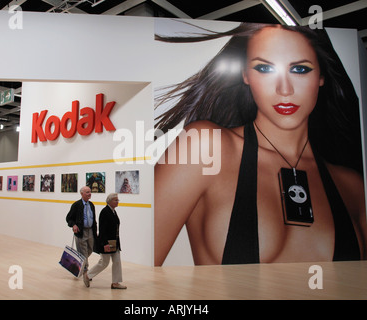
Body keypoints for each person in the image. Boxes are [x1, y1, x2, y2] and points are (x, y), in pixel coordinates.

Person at [154, 22, 367, 266]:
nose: (284, 89)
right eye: (265, 68)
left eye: (299, 69)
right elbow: (133, 277)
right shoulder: (204, 148)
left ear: (321, 76)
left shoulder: (352, 186)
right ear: (245, 75)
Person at [84, 193, 127, 289]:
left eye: (117, 200)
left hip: (115, 242)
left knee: (117, 262)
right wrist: (105, 243)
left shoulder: (113, 212)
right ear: (110, 201)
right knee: (104, 263)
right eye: (116, 200)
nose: (117, 202)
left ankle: (115, 283)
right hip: (106, 243)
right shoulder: (105, 212)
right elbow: (102, 230)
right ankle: (88, 275)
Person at [66, 186, 97, 274]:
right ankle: (85, 271)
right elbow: (69, 218)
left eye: (90, 192)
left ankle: (79, 264)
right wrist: (74, 225)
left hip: (90, 231)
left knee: (90, 249)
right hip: (81, 232)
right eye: (87, 192)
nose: (89, 194)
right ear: (82, 194)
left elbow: (93, 219)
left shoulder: (91, 205)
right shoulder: (76, 205)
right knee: (83, 252)